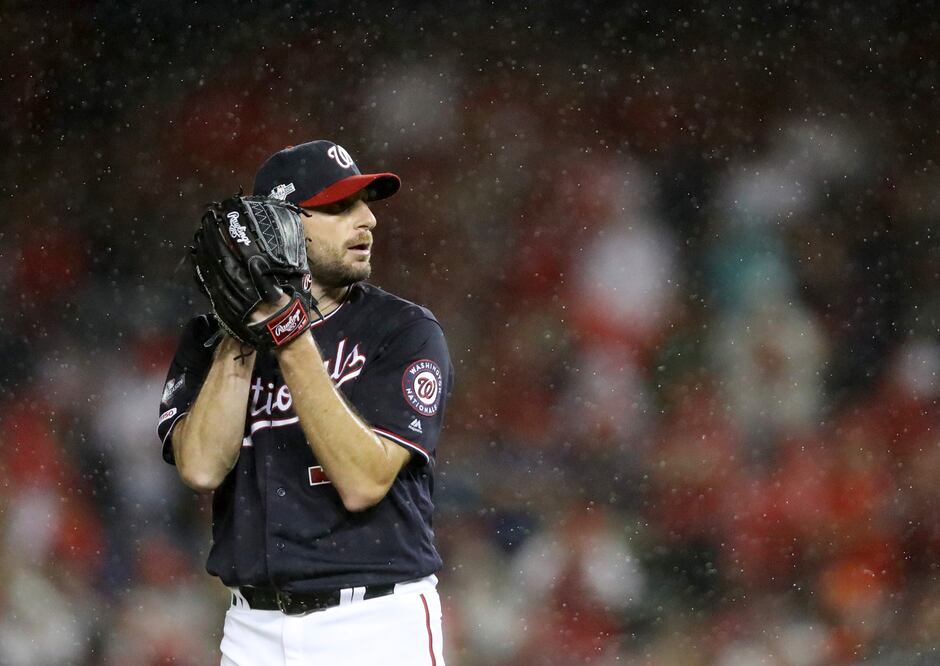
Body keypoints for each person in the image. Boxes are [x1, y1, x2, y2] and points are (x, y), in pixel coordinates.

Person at [157, 140, 453, 665]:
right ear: (279, 225)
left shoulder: (402, 330)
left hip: (374, 625)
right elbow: (201, 468)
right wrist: (242, 327)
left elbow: (363, 482)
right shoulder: (208, 339)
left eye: (365, 204)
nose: (368, 220)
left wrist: (288, 331)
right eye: (339, 207)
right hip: (251, 629)